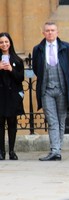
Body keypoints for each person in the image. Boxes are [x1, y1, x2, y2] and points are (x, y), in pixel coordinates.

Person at [32, 22, 69, 161]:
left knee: (61, 120)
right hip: (46, 90)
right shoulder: (38, 49)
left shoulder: (67, 47)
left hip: (62, 89)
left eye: (52, 30)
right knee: (52, 121)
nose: (50, 33)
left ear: (57, 32)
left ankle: (57, 150)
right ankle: (55, 150)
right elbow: (36, 68)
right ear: (43, 33)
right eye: (47, 30)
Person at [0, 32, 25, 160]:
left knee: (12, 123)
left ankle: (11, 151)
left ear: (10, 43)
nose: (4, 44)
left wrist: (11, 69)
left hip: (12, 96)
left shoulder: (17, 60)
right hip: (0, 96)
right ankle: (1, 152)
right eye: (1, 42)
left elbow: (21, 78)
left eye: (6, 42)